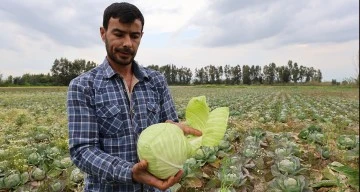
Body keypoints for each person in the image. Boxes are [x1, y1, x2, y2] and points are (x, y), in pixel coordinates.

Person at [67, 2, 201, 192]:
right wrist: (129, 172)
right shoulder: (83, 86)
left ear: (141, 37)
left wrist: (177, 132)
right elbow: (82, 151)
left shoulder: (156, 81)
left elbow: (170, 129)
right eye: (119, 34)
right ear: (103, 33)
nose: (127, 43)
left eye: (134, 36)